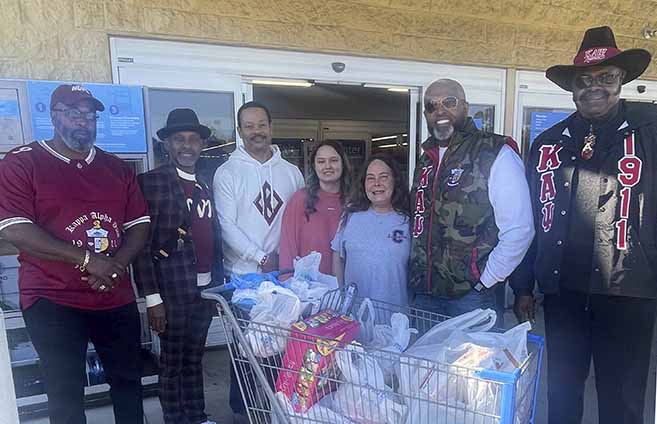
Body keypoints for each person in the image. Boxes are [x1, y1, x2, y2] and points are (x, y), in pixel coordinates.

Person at [510, 26, 657, 424]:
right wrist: (523, 285)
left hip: (629, 294)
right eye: (585, 80)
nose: (595, 88)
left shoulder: (651, 131)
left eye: (606, 78)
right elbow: (530, 220)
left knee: (623, 401)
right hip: (564, 294)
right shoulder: (549, 143)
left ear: (621, 80)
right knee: (562, 393)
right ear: (573, 88)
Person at [0, 84, 150, 424]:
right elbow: (15, 229)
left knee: (128, 382)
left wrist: (115, 266)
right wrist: (87, 260)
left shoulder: (116, 168)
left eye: (90, 115)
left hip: (114, 295)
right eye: (73, 112)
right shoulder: (22, 162)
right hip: (52, 297)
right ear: (54, 116)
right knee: (65, 391)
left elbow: (139, 225)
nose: (83, 121)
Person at [407, 78, 534, 324]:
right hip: (425, 294)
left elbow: (520, 229)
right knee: (424, 362)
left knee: (470, 363)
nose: (440, 110)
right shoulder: (426, 160)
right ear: (425, 114)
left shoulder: (494, 152)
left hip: (471, 298)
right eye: (432, 105)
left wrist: (485, 279)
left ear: (465, 107)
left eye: (449, 102)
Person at [213, 101, 303, 420]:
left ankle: (278, 410)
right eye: (248, 126)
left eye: (261, 124)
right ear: (239, 131)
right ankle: (244, 413)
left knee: (281, 351)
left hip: (284, 281)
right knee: (247, 353)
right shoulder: (227, 173)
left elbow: (299, 219)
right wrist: (260, 256)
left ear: (271, 127)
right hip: (243, 281)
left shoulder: (291, 173)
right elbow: (226, 224)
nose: (256, 132)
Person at [133, 109, 224, 424]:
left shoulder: (205, 182)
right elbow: (141, 244)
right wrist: (152, 298)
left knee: (193, 358)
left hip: (204, 287)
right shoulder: (150, 182)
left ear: (201, 144)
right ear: (167, 145)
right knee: (172, 362)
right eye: (179, 139)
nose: (187, 146)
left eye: (193, 140)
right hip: (170, 290)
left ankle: (196, 416)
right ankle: (175, 419)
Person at [332, 154, 411, 306]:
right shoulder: (350, 215)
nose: (376, 183)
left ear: (395, 181)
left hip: (394, 319)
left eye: (383, 177)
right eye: (370, 178)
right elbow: (337, 257)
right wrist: (340, 297)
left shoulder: (408, 220)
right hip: (353, 319)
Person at [279, 140, 352, 276]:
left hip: (345, 289)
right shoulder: (300, 200)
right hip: (309, 290)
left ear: (343, 163)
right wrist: (288, 282)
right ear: (314, 166)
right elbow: (288, 248)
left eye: (334, 160)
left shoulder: (354, 203)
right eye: (321, 161)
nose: (327, 166)